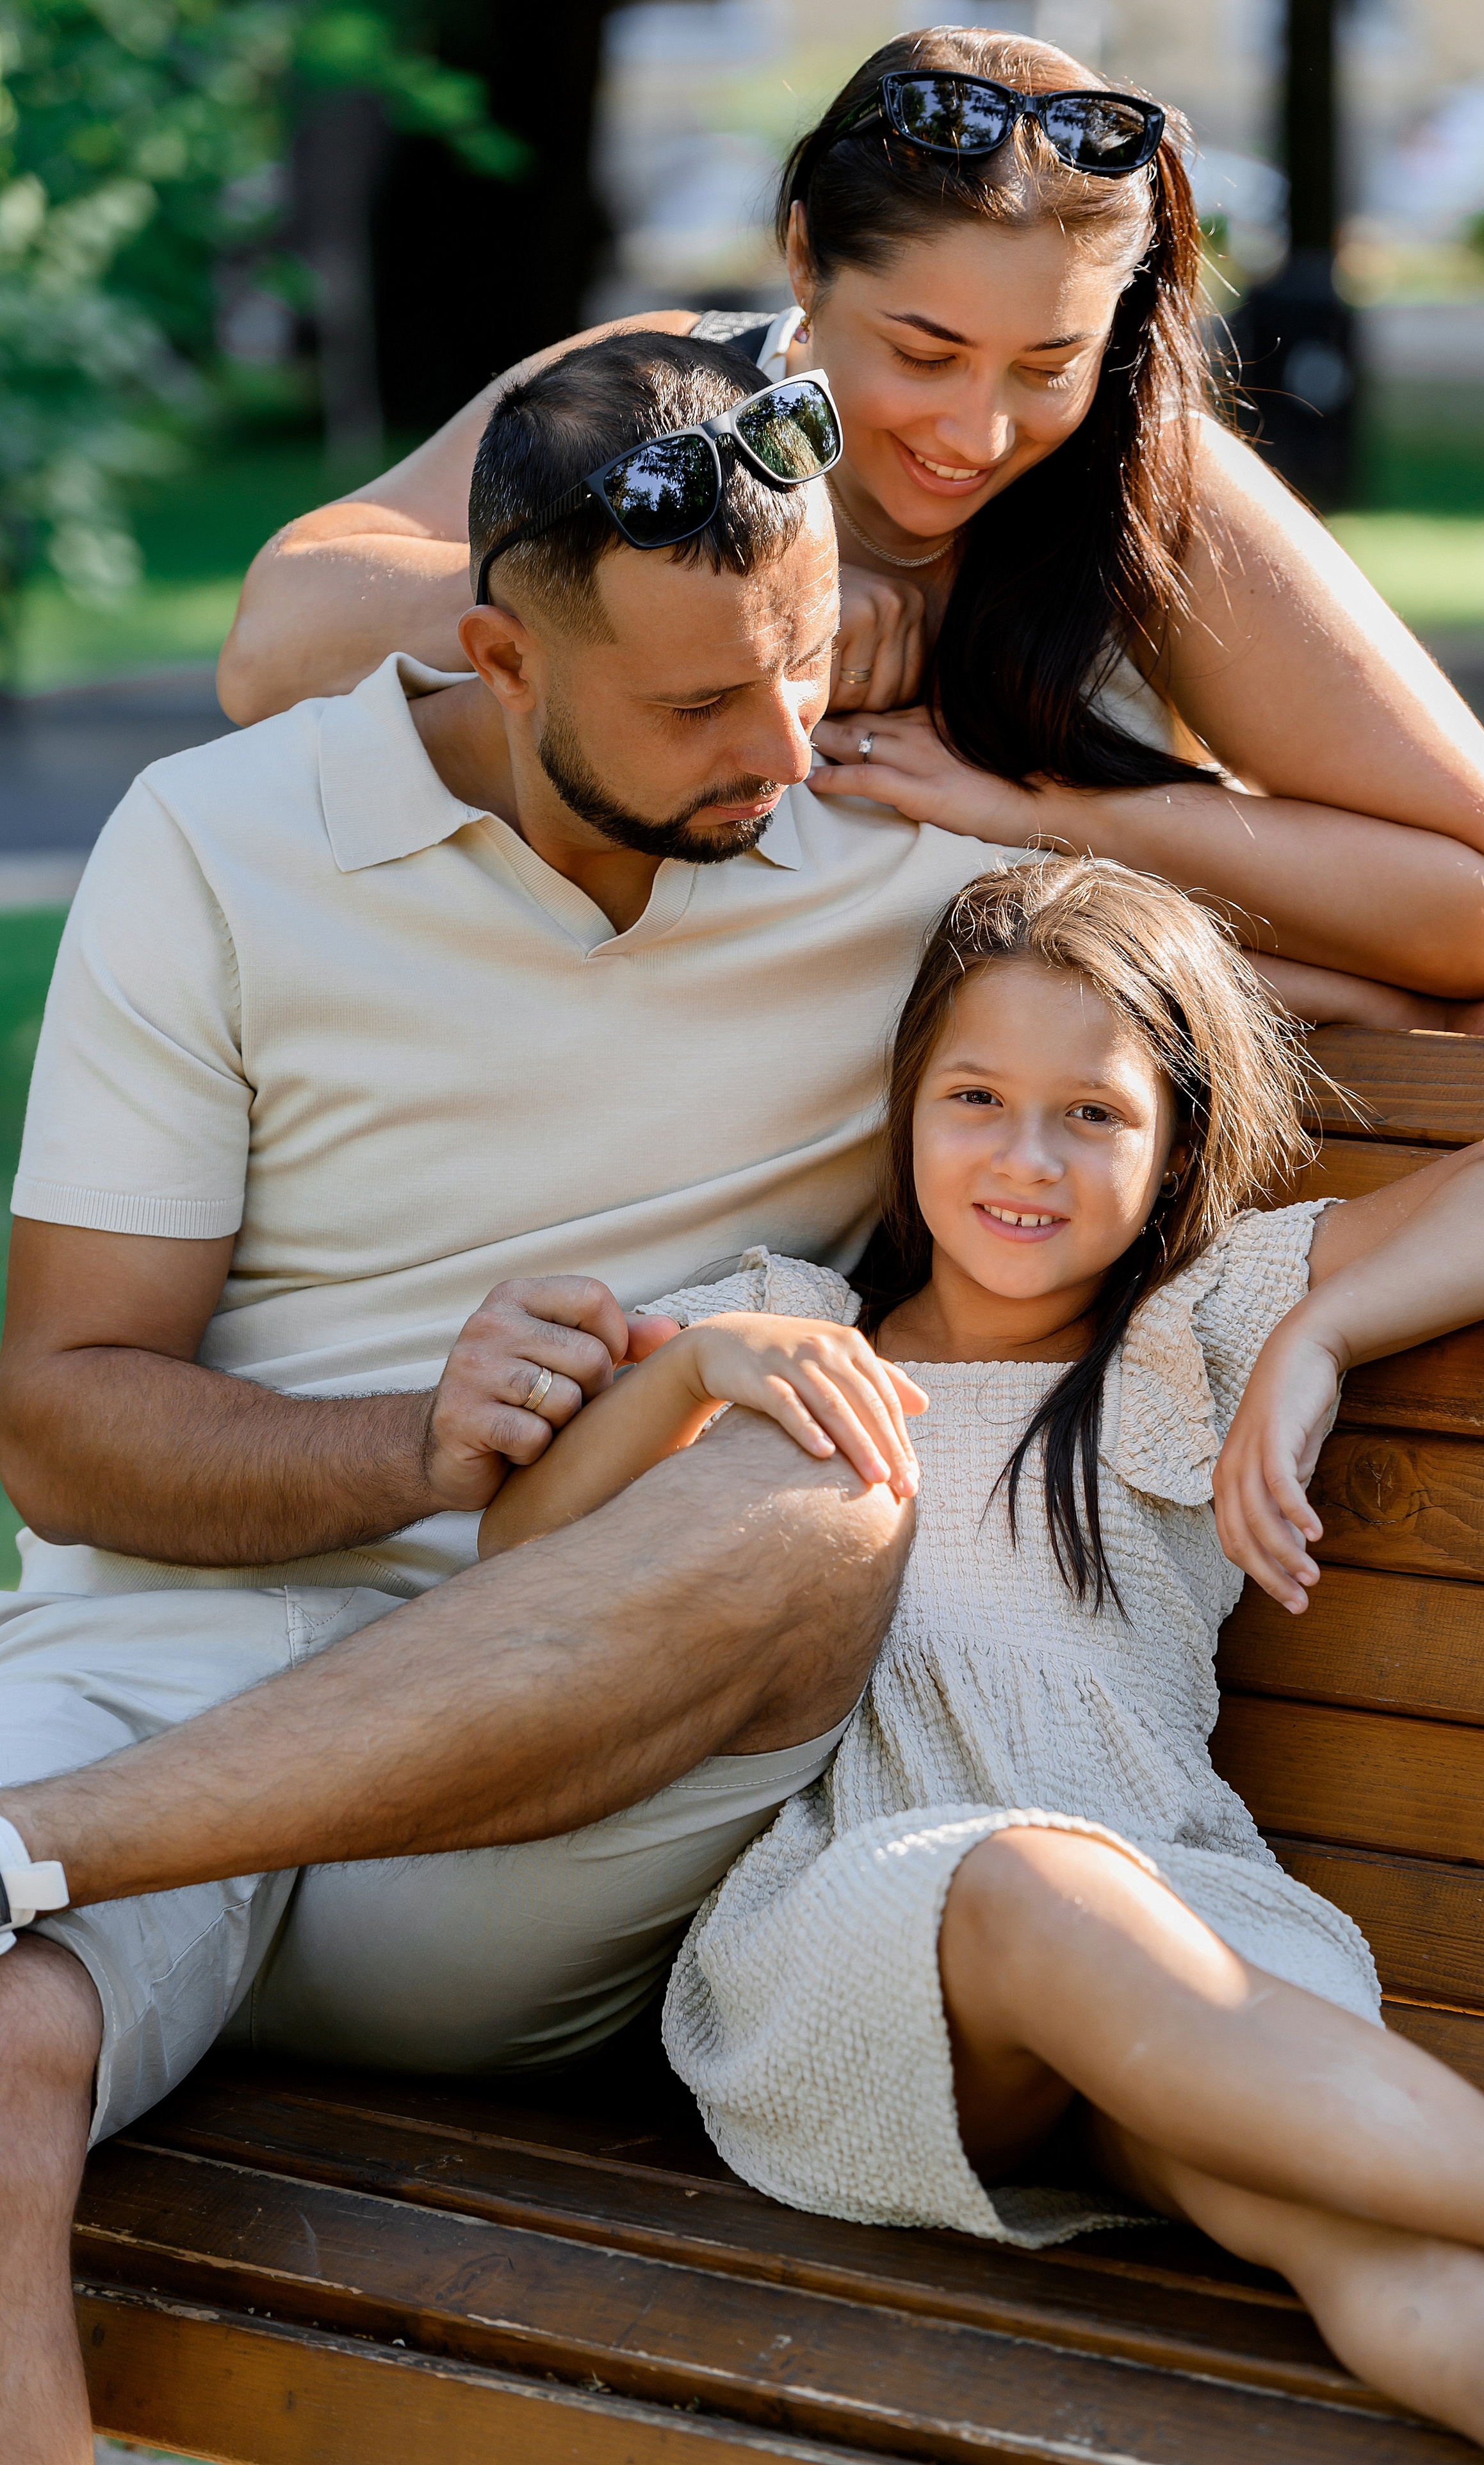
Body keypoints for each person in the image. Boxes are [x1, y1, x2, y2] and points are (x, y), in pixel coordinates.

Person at [0, 328, 1032, 2465]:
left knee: (823, 1481)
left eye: (811, 654)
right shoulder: (215, 842)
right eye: (699, 702)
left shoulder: (909, 865)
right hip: (167, 1672)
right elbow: (64, 1409)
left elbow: (1454, 909)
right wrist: (414, 1434)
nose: (787, 739)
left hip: (532, 1811)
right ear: (495, 652)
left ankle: (20, 1845)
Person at [475, 856, 1484, 2464]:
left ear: (1169, 1146)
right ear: (903, 1108)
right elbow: (517, 1568)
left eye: (1092, 1114)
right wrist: (703, 1371)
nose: (1024, 1160)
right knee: (1026, 1880)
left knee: (1302, 2206)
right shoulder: (796, 1334)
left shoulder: (1192, 1333)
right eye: (975, 1097)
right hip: (858, 1963)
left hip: (1179, 1942)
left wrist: (1323, 1331)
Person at [213, 19, 1484, 1299]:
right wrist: (746, 614)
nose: (971, 431)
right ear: (800, 263)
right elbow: (279, 641)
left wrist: (1041, 820)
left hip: (1011, 1209)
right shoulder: (669, 401)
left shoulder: (1150, 485)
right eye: (923, 347)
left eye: (1045, 367)